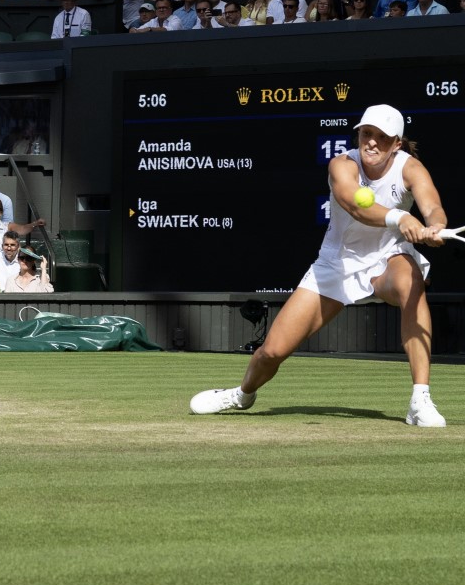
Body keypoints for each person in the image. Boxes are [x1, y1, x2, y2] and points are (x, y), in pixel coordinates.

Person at [190, 105, 448, 427]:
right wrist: (401, 217)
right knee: (271, 352)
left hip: (386, 259)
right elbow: (354, 203)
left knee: (412, 282)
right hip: (335, 266)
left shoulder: (412, 169)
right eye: (366, 134)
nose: (371, 142)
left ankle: (420, 399)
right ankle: (242, 395)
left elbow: (433, 206)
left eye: (381, 137)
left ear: (396, 143)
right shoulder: (342, 164)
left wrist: (435, 227)